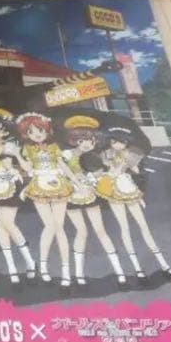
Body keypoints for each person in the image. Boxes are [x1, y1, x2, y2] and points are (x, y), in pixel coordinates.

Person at [96, 125, 171, 281]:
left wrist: (134, 169)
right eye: (114, 141)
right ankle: (137, 268)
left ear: (126, 142)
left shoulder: (131, 153)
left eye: (121, 142)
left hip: (128, 187)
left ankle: (164, 264)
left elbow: (136, 171)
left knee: (143, 225)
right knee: (124, 228)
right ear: (110, 142)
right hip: (113, 189)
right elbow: (102, 172)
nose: (118, 145)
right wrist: (109, 172)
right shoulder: (105, 154)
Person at [62, 116, 127, 286]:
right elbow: (62, 173)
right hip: (72, 196)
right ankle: (79, 274)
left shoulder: (95, 157)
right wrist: (75, 180)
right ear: (75, 140)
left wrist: (111, 170)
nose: (86, 143)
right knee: (81, 232)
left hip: (90, 195)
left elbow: (103, 175)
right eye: (81, 139)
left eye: (90, 139)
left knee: (100, 230)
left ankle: (120, 272)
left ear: (94, 141)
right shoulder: (66, 154)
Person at [0, 108, 36, 285]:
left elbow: (10, 166)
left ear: (5, 130)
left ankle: (30, 262)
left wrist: (7, 157)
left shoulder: (10, 145)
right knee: (0, 226)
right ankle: (12, 268)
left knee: (8, 224)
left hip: (7, 185)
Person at [16, 113, 75, 287]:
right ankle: (43, 266)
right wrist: (17, 155)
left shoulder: (54, 147)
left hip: (58, 183)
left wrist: (76, 182)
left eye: (40, 130)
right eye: (31, 131)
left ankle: (65, 270)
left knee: (59, 227)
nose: (36, 134)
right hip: (39, 184)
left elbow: (63, 165)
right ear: (26, 134)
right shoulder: (27, 149)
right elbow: (27, 168)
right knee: (50, 226)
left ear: (47, 130)